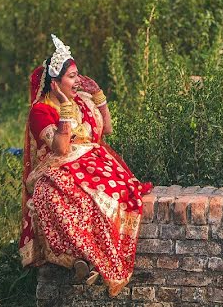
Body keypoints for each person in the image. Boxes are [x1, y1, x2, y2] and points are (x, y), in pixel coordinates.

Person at [20, 34, 152, 296]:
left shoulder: (82, 100)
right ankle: (79, 258)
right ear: (55, 82)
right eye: (71, 76)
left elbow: (109, 129)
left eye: (77, 75)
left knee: (111, 198)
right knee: (54, 195)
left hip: (93, 163)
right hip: (59, 167)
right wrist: (66, 108)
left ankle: (91, 259)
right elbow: (61, 148)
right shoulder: (41, 111)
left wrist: (99, 97)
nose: (77, 81)